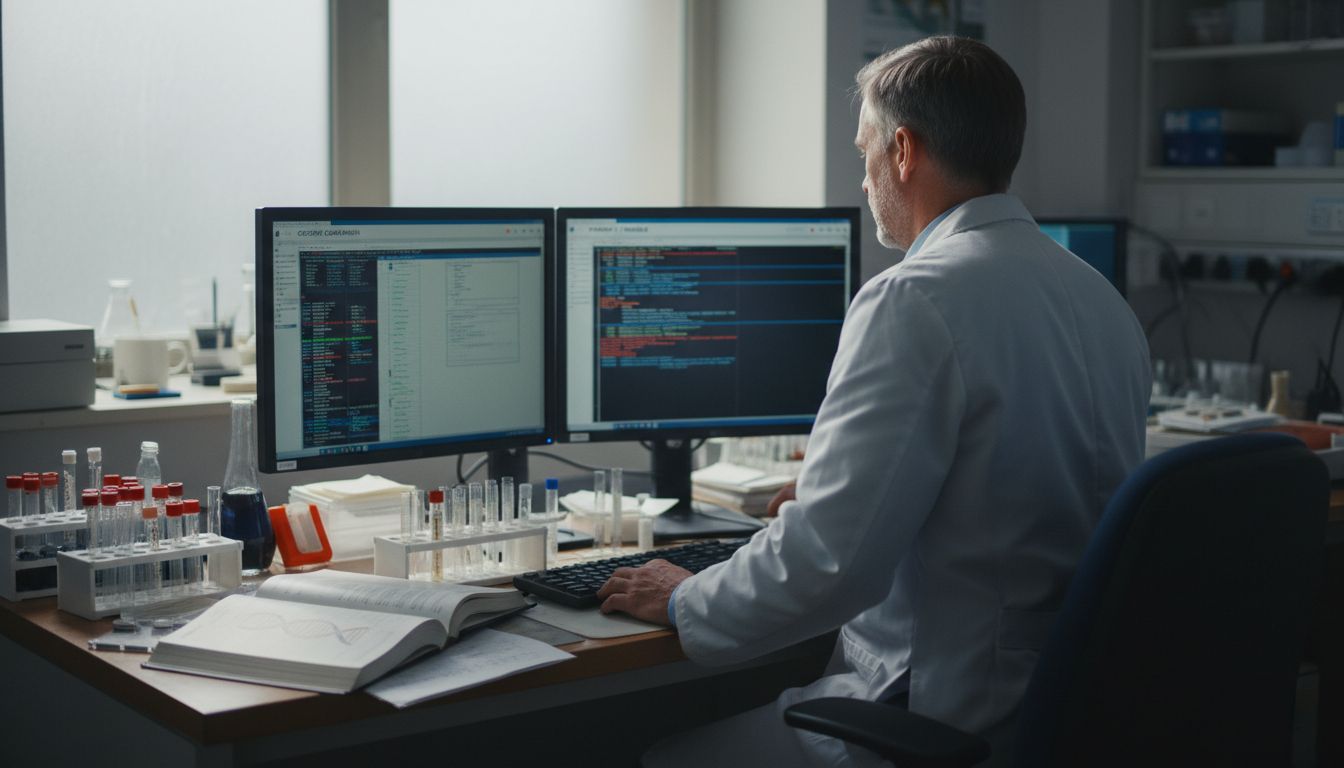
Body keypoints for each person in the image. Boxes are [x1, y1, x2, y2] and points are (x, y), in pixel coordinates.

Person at [597, 35, 1151, 767]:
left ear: (903, 151)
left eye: (865, 153)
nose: (863, 180)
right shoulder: (1097, 295)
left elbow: (830, 566)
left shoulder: (913, 297)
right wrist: (844, 492)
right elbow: (1017, 495)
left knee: (655, 758)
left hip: (937, 715)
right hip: (1063, 708)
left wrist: (682, 597)